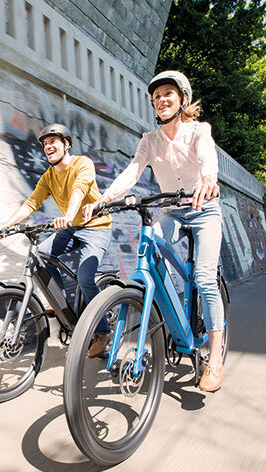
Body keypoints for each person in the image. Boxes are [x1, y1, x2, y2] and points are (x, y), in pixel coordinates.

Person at [83, 71, 225, 391]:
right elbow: (132, 171)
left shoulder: (198, 131)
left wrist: (208, 180)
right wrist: (105, 199)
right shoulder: (150, 140)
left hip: (204, 209)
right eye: (157, 95)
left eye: (168, 93)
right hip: (173, 213)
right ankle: (170, 321)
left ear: (182, 99)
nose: (161, 98)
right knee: (150, 253)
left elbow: (207, 158)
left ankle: (214, 358)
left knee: (203, 277)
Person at [0, 123, 112, 357]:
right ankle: (62, 305)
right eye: (45, 144)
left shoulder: (82, 163)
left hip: (96, 227)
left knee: (85, 277)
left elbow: (79, 188)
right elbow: (31, 202)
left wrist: (68, 215)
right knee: (42, 256)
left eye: (53, 142)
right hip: (72, 227)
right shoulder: (48, 177)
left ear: (66, 144)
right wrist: (6, 225)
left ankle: (102, 333)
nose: (48, 147)